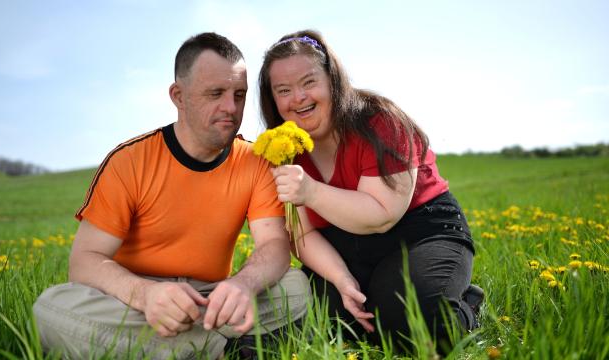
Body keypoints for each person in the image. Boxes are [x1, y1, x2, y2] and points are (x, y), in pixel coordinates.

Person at [33, 32, 310, 360]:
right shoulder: (129, 161)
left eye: (239, 94)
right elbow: (84, 261)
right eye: (215, 93)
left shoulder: (254, 161)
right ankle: (220, 348)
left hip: (211, 299)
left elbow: (274, 246)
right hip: (133, 302)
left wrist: (242, 286)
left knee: (296, 286)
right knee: (50, 309)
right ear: (179, 96)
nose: (230, 107)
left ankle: (184, 349)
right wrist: (145, 294)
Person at [258, 30, 484, 352]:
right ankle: (378, 296)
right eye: (284, 90)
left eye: (309, 82)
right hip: (345, 247)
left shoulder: (379, 120)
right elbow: (301, 234)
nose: (298, 98)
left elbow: (382, 216)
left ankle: (466, 305)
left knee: (417, 329)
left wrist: (309, 191)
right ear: (273, 100)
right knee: (330, 323)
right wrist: (340, 279)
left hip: (418, 232)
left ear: (332, 79)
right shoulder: (282, 149)